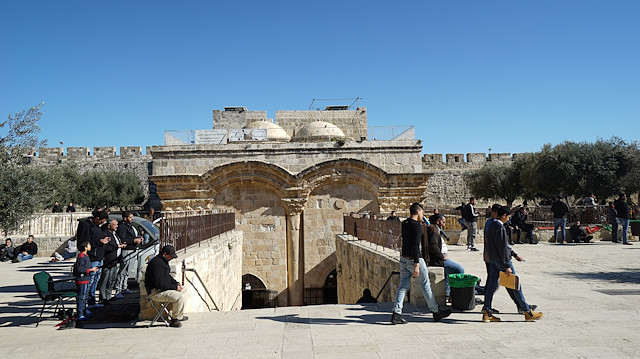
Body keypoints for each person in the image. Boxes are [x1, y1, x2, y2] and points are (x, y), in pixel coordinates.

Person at [390, 203, 451, 324]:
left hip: (404, 258)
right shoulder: (417, 226)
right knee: (425, 285)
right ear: (418, 212)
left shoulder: (405, 223)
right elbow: (415, 246)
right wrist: (417, 264)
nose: (423, 215)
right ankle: (436, 312)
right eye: (422, 213)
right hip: (414, 259)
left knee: (403, 286)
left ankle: (396, 313)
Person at [482, 206, 543, 322]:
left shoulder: (490, 225)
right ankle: (527, 311)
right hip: (502, 261)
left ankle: (487, 311)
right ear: (503, 216)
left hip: (493, 260)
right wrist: (507, 265)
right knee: (515, 285)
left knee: (491, 286)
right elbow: (502, 247)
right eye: (508, 217)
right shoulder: (499, 226)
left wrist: (513, 255)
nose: (508, 219)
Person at [144, 245, 187, 328]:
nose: (171, 258)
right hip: (155, 292)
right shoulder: (157, 264)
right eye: (170, 256)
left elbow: (167, 277)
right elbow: (159, 283)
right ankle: (174, 320)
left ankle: (179, 315)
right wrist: (174, 287)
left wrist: (176, 284)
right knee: (179, 296)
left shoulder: (162, 262)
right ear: (164, 254)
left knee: (184, 289)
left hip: (162, 289)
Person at [76, 210, 110, 306]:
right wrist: (99, 242)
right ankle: (84, 304)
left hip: (99, 256)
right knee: (89, 281)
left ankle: (92, 301)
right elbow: (83, 242)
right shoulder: (85, 225)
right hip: (92, 257)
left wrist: (103, 240)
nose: (102, 223)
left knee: (95, 280)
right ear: (96, 218)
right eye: (101, 221)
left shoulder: (96, 227)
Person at [426, 213, 464, 298]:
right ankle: (458, 293)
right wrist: (442, 257)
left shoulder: (436, 229)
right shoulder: (433, 230)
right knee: (460, 270)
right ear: (438, 221)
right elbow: (434, 246)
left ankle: (447, 292)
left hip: (441, 257)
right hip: (438, 259)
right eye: (443, 222)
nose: (444, 224)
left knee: (448, 275)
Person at [116, 211, 144, 297]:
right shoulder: (122, 227)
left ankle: (124, 287)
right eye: (130, 217)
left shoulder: (129, 226)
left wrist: (137, 239)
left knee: (128, 271)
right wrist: (133, 241)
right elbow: (123, 239)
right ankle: (118, 289)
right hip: (127, 250)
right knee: (123, 270)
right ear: (125, 218)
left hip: (132, 249)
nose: (132, 218)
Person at [98, 220, 126, 303]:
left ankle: (109, 295)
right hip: (108, 260)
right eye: (114, 225)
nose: (117, 226)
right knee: (105, 280)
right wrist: (117, 246)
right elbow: (106, 248)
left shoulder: (114, 234)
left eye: (117, 224)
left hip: (114, 260)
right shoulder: (105, 234)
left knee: (112, 279)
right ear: (109, 226)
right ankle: (103, 297)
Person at [73, 241, 99, 321]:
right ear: (85, 247)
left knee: (84, 296)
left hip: (86, 279)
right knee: (81, 297)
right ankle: (80, 313)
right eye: (89, 245)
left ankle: (84, 311)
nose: (90, 246)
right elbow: (80, 269)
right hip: (82, 280)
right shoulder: (81, 256)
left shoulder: (86, 255)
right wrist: (91, 270)